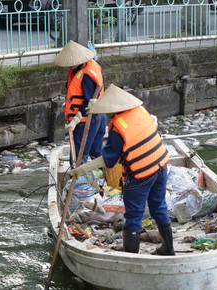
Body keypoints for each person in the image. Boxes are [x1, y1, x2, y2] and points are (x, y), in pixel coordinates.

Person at [67, 84, 174, 256]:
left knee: (134, 215)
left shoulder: (118, 128)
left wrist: (82, 169)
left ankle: (131, 257)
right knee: (159, 207)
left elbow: (108, 160)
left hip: (140, 174)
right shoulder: (141, 111)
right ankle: (168, 249)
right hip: (161, 165)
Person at [54, 40, 107, 165]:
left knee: (78, 157)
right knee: (96, 152)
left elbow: (88, 103)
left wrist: (75, 120)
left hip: (87, 120)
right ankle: (103, 177)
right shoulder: (86, 66)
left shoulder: (86, 76)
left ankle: (79, 182)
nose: (68, 66)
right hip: (99, 116)